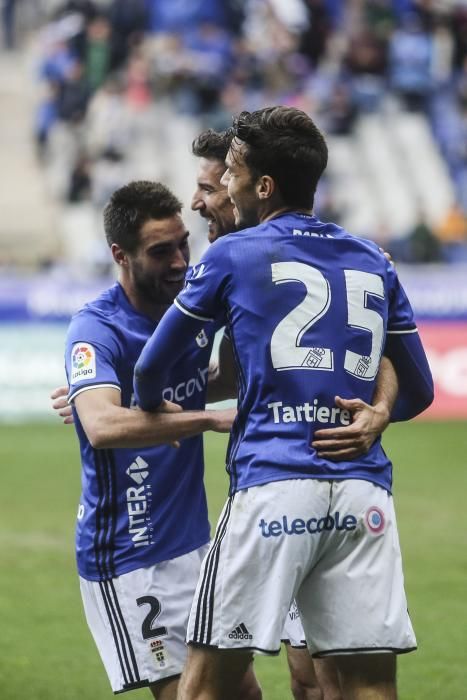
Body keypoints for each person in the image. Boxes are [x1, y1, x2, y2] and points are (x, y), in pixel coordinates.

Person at [133, 106, 434, 700]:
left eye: (232, 172)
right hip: (362, 497)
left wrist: (155, 411)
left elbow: (153, 368)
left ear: (262, 186)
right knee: (367, 682)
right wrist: (379, 414)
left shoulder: (233, 255)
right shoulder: (373, 258)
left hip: (273, 484)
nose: (223, 184)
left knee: (205, 685)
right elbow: (419, 387)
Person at [62, 179, 261, 700]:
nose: (178, 261)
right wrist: (210, 420)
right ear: (119, 255)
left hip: (195, 542)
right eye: (160, 251)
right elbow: (102, 427)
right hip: (133, 552)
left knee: (245, 696)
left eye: (182, 245)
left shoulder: (189, 302)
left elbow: (208, 378)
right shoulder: (96, 328)